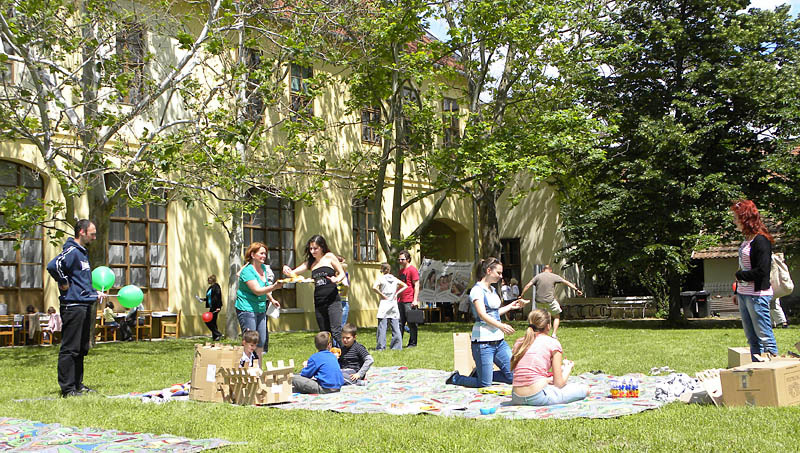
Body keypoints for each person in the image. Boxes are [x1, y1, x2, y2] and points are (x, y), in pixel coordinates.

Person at [446, 257, 527, 388]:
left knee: (514, 376)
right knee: (484, 384)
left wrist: (511, 306)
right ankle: (456, 378)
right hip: (483, 343)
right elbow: (482, 315)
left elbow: (493, 313)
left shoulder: (492, 290)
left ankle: (480, 374)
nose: (501, 276)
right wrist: (501, 325)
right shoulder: (477, 290)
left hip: (499, 342)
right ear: (489, 271)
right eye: (498, 273)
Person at [46, 219, 105, 397]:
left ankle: (78, 385)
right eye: (92, 234)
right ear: (82, 232)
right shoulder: (72, 251)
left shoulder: (83, 254)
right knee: (70, 348)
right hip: (73, 306)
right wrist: (63, 281)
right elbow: (53, 265)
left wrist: (94, 293)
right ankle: (68, 388)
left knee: (81, 348)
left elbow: (80, 282)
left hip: (84, 304)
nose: (94, 237)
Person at [508, 308, 589, 406]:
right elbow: (559, 384)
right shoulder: (552, 343)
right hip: (538, 397)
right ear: (548, 326)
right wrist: (567, 368)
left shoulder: (520, 342)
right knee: (584, 389)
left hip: (516, 397)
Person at [731, 199, 778, 359]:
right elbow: (744, 267)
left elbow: (762, 271)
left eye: (736, 217)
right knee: (752, 339)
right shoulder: (746, 241)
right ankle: (756, 369)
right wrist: (737, 290)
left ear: (745, 219)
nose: (734, 221)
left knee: (765, 337)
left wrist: (740, 276)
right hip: (744, 294)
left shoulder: (761, 240)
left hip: (757, 296)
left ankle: (773, 368)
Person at [283, 235, 346, 346]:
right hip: (319, 302)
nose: (312, 251)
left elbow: (341, 273)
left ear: (322, 247)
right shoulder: (310, 262)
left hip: (332, 300)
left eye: (315, 248)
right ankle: (329, 355)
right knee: (324, 334)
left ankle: (349, 353)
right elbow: (293, 273)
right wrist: (286, 269)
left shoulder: (329, 257)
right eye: (311, 248)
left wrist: (336, 279)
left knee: (336, 331)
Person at [236, 242, 283, 367]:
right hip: (246, 309)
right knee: (250, 341)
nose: (264, 256)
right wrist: (274, 287)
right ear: (252, 255)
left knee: (261, 341)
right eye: (261, 253)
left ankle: (258, 369)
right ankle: (246, 369)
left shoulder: (263, 269)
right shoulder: (247, 271)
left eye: (265, 254)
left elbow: (264, 286)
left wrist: (271, 299)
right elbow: (257, 290)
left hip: (261, 308)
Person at [520, 265, 583, 339]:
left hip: (539, 301)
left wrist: (522, 295)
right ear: (551, 270)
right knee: (556, 316)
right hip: (550, 300)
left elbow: (528, 285)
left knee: (541, 317)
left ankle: (539, 334)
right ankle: (554, 334)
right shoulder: (554, 276)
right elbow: (567, 282)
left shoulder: (537, 276)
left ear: (543, 270)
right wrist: (576, 290)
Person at [372, 262, 407, 350]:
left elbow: (374, 287)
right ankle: (397, 346)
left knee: (382, 326)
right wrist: (397, 293)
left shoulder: (381, 279)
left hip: (384, 303)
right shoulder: (394, 279)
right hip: (393, 303)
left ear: (382, 270)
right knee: (395, 325)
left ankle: (381, 346)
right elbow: (405, 286)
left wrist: (381, 294)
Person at [396, 250, 420, 347]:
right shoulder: (401, 271)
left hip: (409, 300)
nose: (400, 261)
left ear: (408, 259)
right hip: (400, 300)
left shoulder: (412, 270)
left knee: (411, 323)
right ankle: (398, 343)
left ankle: (412, 343)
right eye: (399, 259)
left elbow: (417, 285)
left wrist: (415, 300)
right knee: (400, 323)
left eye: (402, 259)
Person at [200, 274, 223, 340]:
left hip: (216, 307)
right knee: (213, 322)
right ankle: (215, 337)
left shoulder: (216, 287)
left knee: (208, 321)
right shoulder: (210, 287)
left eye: (209, 279)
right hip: (212, 307)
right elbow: (210, 297)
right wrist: (203, 299)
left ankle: (218, 334)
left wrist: (218, 307)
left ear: (212, 280)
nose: (207, 281)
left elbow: (218, 297)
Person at [336, 255, 351, 327]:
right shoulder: (332, 275)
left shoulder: (346, 274)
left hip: (343, 302)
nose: (345, 265)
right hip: (334, 303)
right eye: (343, 263)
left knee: (341, 326)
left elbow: (346, 288)